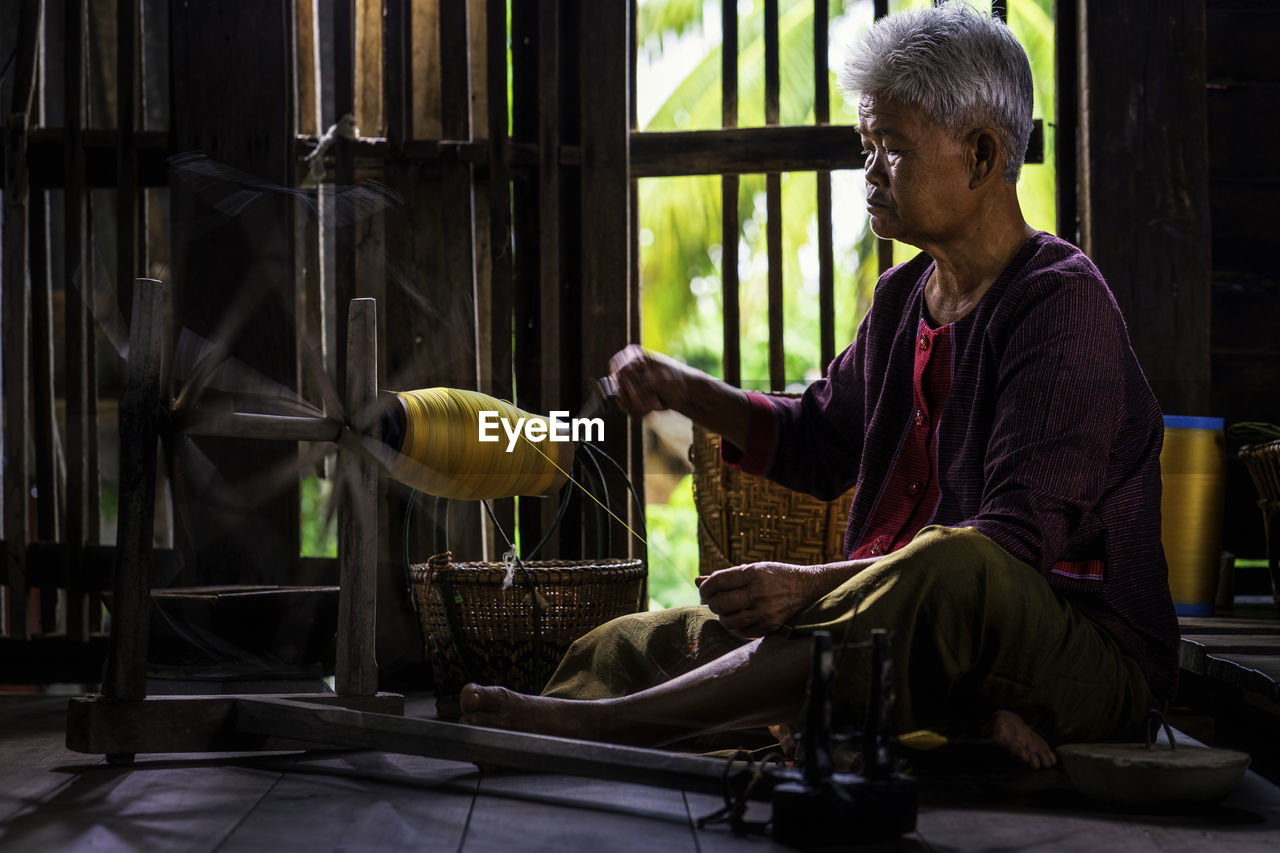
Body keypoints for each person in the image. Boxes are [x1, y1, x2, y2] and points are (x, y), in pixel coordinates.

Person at [460, 3, 1179, 769]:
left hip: (1076, 658)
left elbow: (1011, 548)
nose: (867, 172)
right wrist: (683, 387)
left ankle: (601, 735)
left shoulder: (1060, 302)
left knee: (953, 564)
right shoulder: (907, 298)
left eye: (890, 149)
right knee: (627, 645)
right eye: (865, 145)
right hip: (878, 624)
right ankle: (923, 731)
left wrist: (809, 588)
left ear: (979, 154)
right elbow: (818, 439)